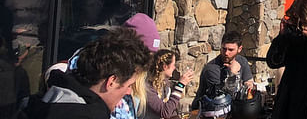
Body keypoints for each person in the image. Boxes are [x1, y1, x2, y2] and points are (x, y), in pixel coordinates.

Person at [22, 28, 150, 119]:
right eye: (129, 85)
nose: (129, 92)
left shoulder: (33, 103)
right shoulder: (90, 114)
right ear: (111, 81)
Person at [192, 31, 254, 109]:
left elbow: (249, 82)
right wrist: (232, 74)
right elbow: (222, 98)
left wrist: (248, 86)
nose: (226, 53)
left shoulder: (242, 61)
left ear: (239, 49)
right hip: (209, 109)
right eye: (224, 49)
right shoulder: (212, 69)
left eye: (231, 50)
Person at [145, 50, 194, 119]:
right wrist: (180, 85)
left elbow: (171, 112)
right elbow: (165, 112)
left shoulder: (165, 84)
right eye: (173, 65)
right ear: (165, 66)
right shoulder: (148, 87)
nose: (174, 68)